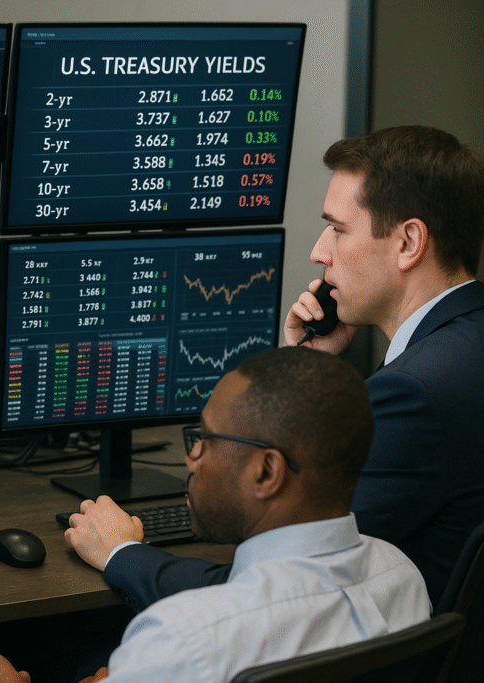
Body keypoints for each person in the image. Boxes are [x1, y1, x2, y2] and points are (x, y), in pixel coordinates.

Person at [68, 125, 484, 612]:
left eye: (339, 228)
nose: (319, 252)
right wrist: (306, 375)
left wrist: (121, 553)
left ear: (409, 242)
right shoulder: (462, 353)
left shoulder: (412, 393)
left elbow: (272, 588)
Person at [0, 346, 430, 683]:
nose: (191, 458)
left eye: (205, 439)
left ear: (266, 471)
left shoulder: (186, 639)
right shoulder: (402, 577)